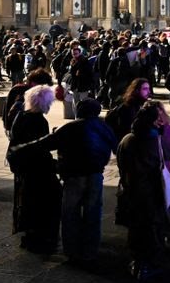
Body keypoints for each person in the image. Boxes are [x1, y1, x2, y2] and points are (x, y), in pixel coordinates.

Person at [28, 98, 116, 265]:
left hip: (74, 174)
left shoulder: (71, 127)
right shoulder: (103, 127)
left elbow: (45, 143)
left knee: (70, 213)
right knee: (93, 213)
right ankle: (90, 251)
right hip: (96, 173)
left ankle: (72, 250)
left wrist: (21, 149)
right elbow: (115, 145)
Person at [116, 103, 168, 281]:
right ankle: (147, 265)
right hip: (148, 193)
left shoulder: (127, 139)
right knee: (150, 229)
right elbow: (159, 166)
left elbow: (121, 164)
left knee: (136, 228)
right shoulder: (153, 141)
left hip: (130, 191)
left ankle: (137, 262)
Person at [9, 84, 61, 254]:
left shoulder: (21, 116)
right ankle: (39, 235)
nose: (50, 106)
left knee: (28, 200)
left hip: (23, 166)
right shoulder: (38, 120)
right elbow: (38, 147)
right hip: (36, 168)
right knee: (42, 200)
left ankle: (31, 234)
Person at [106, 78, 152, 143]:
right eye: (145, 89)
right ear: (136, 91)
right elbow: (127, 131)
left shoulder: (138, 105)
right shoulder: (128, 108)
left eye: (148, 89)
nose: (149, 92)